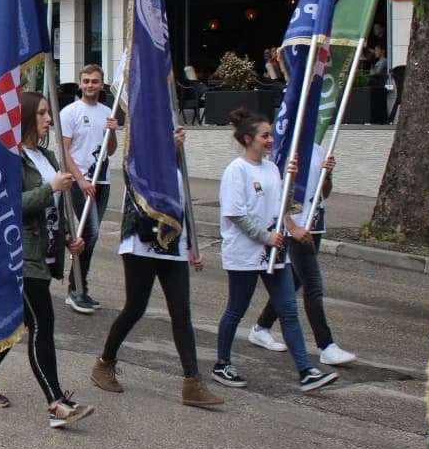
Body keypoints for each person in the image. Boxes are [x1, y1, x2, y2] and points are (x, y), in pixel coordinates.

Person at [0, 92, 95, 428]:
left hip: (43, 251)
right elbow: (7, 205)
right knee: (42, 325)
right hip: (18, 254)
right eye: (40, 114)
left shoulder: (48, 156)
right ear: (24, 117)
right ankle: (56, 402)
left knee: (18, 324)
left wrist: (67, 238)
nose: (48, 120)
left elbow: (53, 210)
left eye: (47, 114)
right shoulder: (12, 158)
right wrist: (50, 187)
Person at [89, 125, 224, 407]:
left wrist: (191, 246)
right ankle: (104, 363)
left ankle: (192, 382)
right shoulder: (138, 164)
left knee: (181, 314)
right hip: (141, 246)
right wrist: (167, 149)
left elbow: (182, 208)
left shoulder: (177, 170)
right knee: (134, 308)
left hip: (172, 248)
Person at [212, 108, 338, 393]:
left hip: (275, 253)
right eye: (265, 136)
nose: (271, 140)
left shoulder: (271, 168)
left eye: (271, 135)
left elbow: (280, 207)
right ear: (248, 139)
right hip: (245, 253)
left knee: (288, 310)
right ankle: (222, 363)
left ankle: (306, 370)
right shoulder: (236, 170)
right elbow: (235, 214)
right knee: (236, 309)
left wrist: (291, 228)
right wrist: (265, 236)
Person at [246, 144, 356, 366]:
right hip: (293, 228)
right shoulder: (288, 145)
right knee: (313, 285)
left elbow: (324, 193)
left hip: (314, 225)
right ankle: (326, 346)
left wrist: (327, 174)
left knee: (295, 280)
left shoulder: (318, 150)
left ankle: (261, 327)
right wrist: (291, 227)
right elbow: (275, 196)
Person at [59, 63, 117, 314]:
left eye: (95, 81)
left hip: (102, 181)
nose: (90, 85)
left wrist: (112, 131)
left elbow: (110, 150)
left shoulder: (108, 112)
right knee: (88, 234)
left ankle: (80, 286)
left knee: (92, 236)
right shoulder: (70, 112)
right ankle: (76, 289)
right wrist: (80, 180)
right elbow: (65, 150)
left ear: (101, 84)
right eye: (86, 81)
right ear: (80, 83)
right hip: (80, 181)